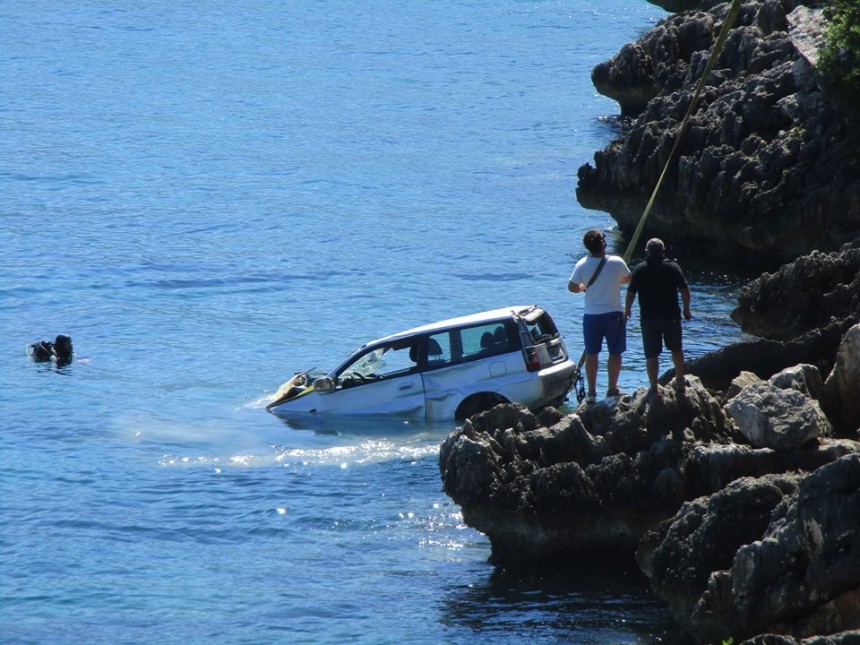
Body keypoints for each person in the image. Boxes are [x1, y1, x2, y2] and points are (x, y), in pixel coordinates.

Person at [568, 229, 631, 403]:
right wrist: (612, 280)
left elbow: (572, 287)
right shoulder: (616, 262)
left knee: (592, 353)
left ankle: (592, 393)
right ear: (603, 243)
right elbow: (628, 278)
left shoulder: (582, 264)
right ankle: (612, 389)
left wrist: (583, 287)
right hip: (613, 314)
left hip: (592, 315)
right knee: (615, 352)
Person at [624, 238, 692, 400]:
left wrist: (627, 310)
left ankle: (654, 387)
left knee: (651, 355)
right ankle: (680, 380)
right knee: (676, 349)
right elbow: (684, 289)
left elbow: (631, 292)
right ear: (663, 251)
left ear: (647, 252)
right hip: (671, 317)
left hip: (649, 319)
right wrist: (687, 310)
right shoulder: (673, 267)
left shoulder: (640, 269)